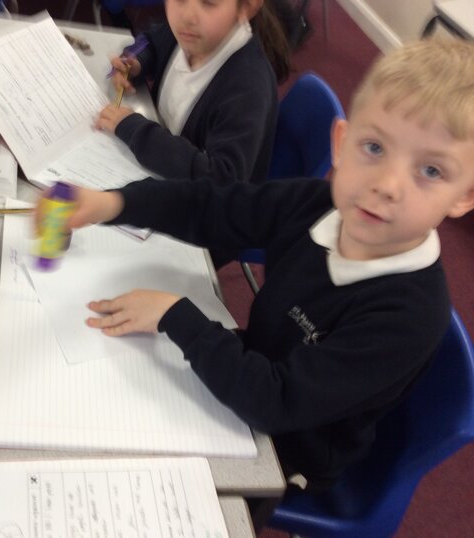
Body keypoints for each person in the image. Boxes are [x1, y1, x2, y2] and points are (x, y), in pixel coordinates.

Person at [41, 37, 474, 505]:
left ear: (465, 197)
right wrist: (115, 203)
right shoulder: (319, 204)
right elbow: (214, 206)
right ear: (342, 143)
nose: (387, 185)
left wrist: (174, 315)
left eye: (431, 171)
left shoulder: (409, 316)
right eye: (374, 147)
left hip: (288, 449)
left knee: (118, 487)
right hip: (248, 372)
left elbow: (278, 402)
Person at [95, 0, 289, 186]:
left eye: (209, 2)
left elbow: (222, 180)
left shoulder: (248, 89)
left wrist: (136, 131)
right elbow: (151, 42)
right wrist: (136, 63)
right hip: (156, 165)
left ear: (247, 7)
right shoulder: (190, 34)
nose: (187, 16)